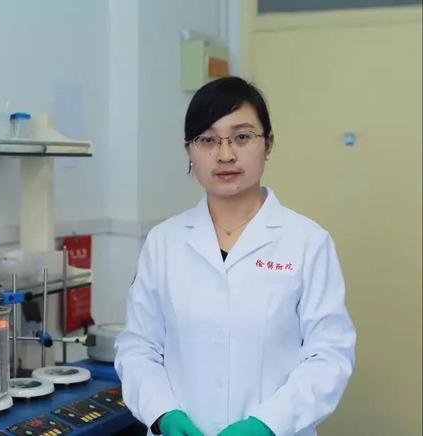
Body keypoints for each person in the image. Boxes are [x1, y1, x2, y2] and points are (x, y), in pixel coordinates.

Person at [114, 77, 356, 436]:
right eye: (207, 140)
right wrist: (163, 414)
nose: (225, 155)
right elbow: (138, 347)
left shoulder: (307, 242)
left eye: (242, 137)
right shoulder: (163, 242)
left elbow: (329, 355)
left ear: (267, 144)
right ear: (189, 150)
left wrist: (268, 424)